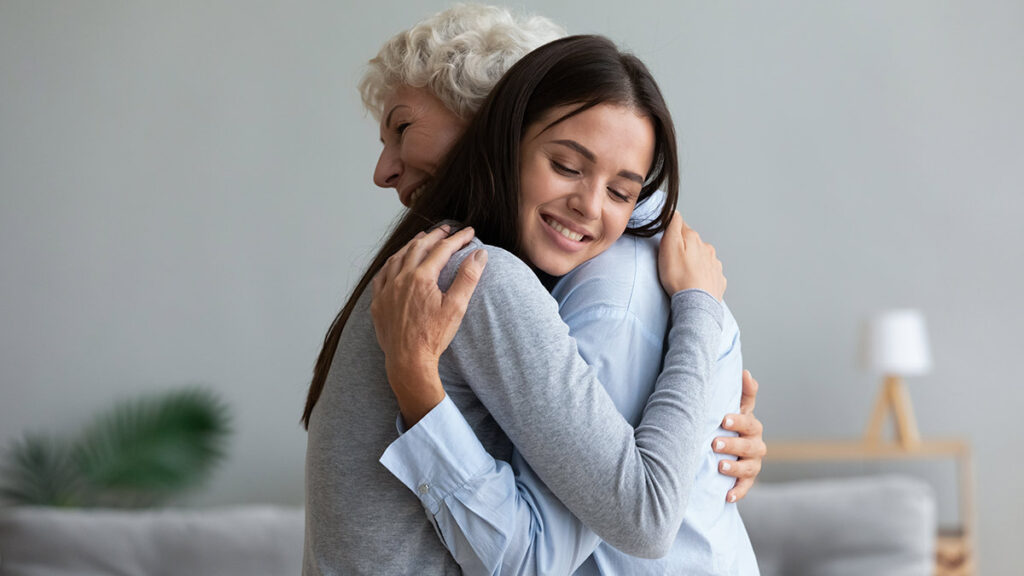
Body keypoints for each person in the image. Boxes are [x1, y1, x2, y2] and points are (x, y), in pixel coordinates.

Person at [302, 7, 764, 576]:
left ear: (492, 116)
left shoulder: (478, 274)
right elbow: (634, 519)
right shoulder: (474, 277)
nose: (383, 170)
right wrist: (701, 315)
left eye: (403, 127)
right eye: (566, 165)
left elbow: (640, 507)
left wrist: (708, 441)